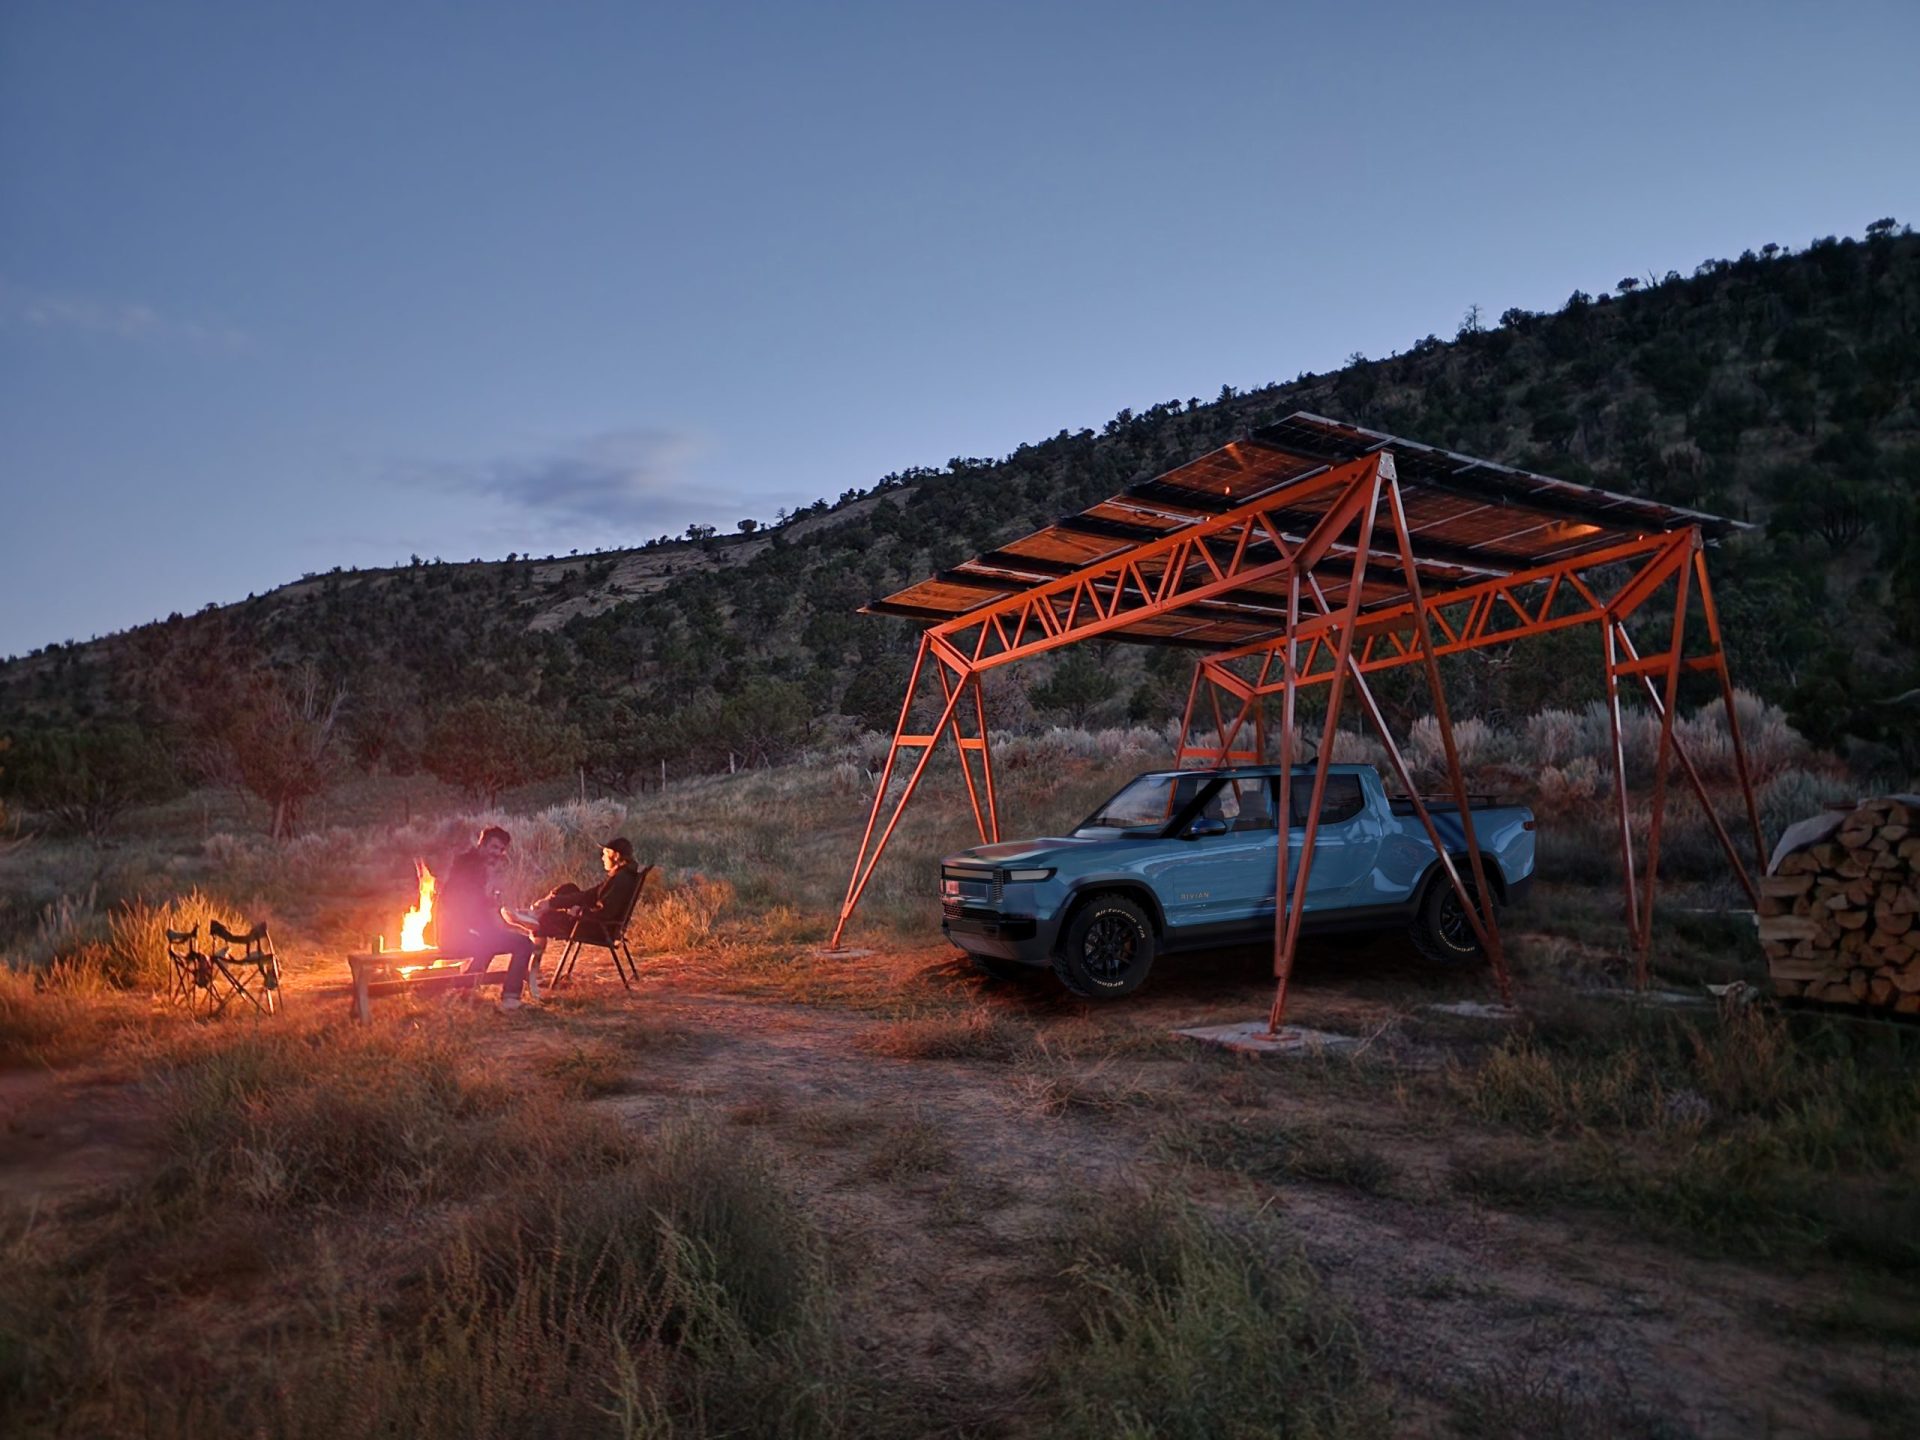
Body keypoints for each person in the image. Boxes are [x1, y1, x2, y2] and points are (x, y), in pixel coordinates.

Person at [438, 824, 541, 1010]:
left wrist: (490, 907)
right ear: (482, 844)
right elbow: (460, 905)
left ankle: (464, 988)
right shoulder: (467, 865)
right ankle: (511, 999)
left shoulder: (478, 866)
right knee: (523, 944)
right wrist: (485, 923)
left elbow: (477, 904)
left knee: (492, 942)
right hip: (455, 935)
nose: (498, 853)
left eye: (501, 849)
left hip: (468, 931)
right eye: (494, 847)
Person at [512, 836, 643, 949]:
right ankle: (534, 913)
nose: (602, 858)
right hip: (596, 924)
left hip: (597, 928)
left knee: (546, 919)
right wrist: (551, 902)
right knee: (568, 888)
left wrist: (580, 911)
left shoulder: (620, 880)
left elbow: (605, 913)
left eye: (605, 854)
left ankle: (534, 918)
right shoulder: (621, 875)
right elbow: (590, 895)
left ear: (615, 856)